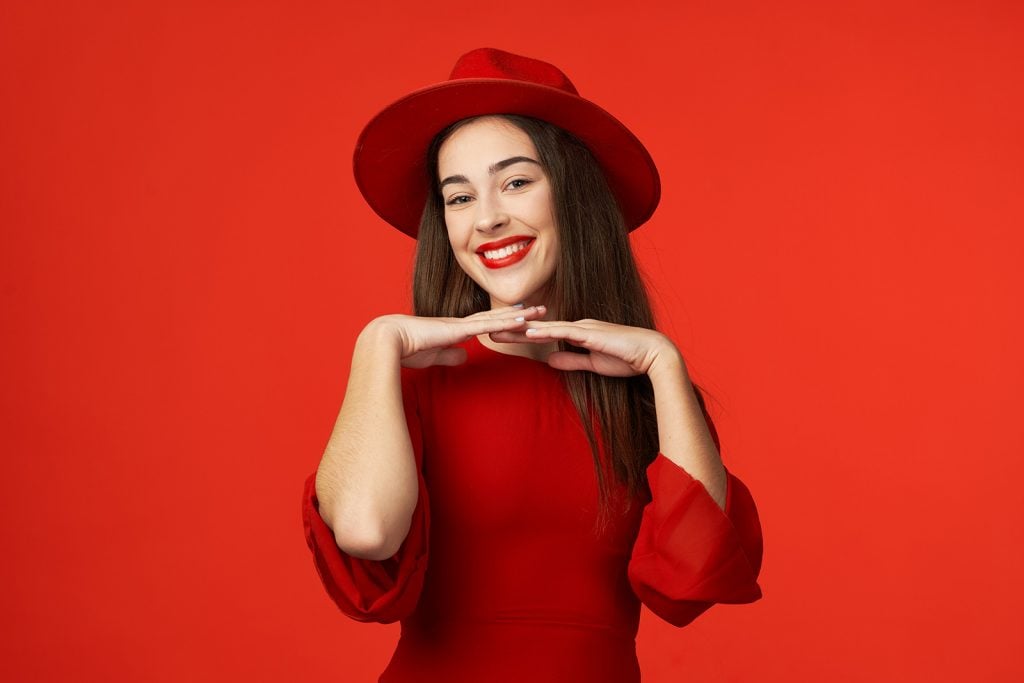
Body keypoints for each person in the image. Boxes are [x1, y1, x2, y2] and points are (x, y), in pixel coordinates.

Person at [302, 47, 764, 682]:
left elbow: (691, 578)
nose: (487, 217)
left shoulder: (649, 392)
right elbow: (365, 533)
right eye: (458, 197)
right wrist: (375, 344)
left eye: (516, 181)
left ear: (572, 196)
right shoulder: (413, 377)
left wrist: (663, 363)